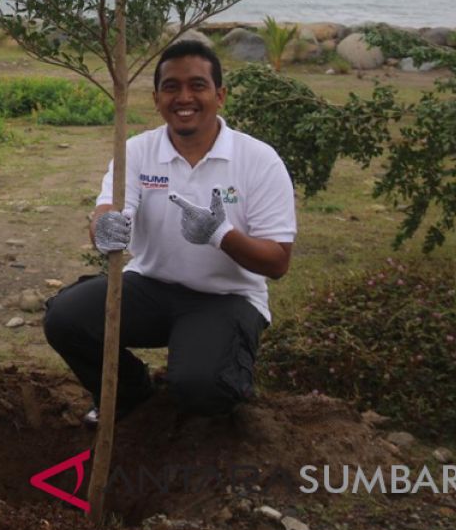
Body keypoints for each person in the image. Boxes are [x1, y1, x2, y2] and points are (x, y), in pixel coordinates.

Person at [44, 40, 296, 422]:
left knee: (200, 385)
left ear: (220, 95)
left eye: (197, 85)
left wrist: (220, 234)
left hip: (226, 297)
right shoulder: (138, 151)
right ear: (157, 98)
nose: (184, 97)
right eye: (171, 87)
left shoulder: (258, 160)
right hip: (151, 286)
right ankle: (130, 393)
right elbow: (109, 211)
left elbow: (277, 263)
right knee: (65, 318)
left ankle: (223, 390)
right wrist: (104, 226)